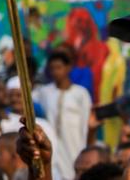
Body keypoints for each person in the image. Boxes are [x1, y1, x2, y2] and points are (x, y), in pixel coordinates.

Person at [33, 51, 92, 180]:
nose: (55, 72)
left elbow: (85, 124)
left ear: (68, 68)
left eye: (59, 68)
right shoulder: (44, 92)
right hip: (52, 142)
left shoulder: (81, 93)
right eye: (52, 69)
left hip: (74, 143)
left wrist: (84, 146)